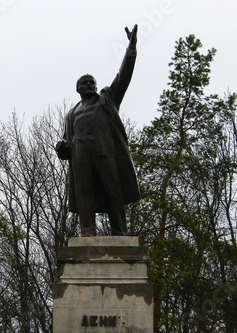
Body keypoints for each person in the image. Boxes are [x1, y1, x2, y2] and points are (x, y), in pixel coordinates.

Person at [55, 25, 140, 237]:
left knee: (113, 191)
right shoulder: (71, 113)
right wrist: (62, 148)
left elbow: (124, 76)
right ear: (78, 89)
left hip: (105, 153)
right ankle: (87, 233)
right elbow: (67, 143)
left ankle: (119, 232)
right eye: (84, 83)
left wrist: (131, 49)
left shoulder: (107, 99)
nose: (89, 85)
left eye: (92, 82)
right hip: (80, 157)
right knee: (84, 194)